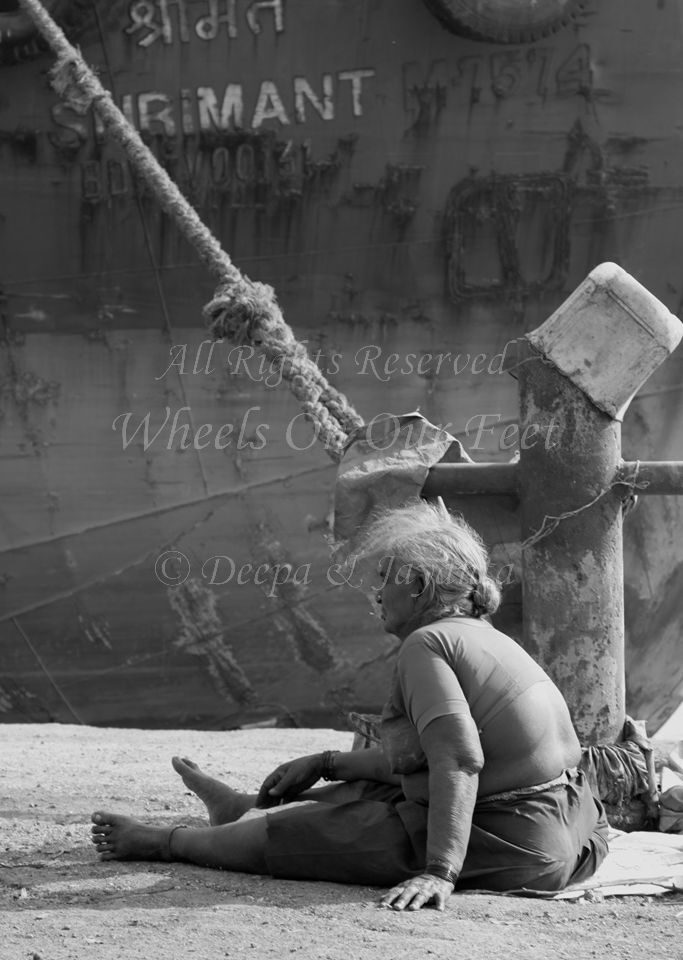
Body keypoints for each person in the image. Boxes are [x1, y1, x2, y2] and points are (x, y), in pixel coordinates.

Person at [90, 500, 609, 911]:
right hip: (577, 828)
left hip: (514, 843)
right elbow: (428, 759)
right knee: (365, 789)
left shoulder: (426, 645)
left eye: (386, 576)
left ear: (420, 586)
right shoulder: (480, 635)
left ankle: (169, 842)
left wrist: (439, 871)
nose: (376, 590)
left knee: (291, 836)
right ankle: (240, 810)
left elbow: (458, 760)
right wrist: (324, 764)